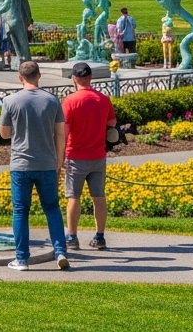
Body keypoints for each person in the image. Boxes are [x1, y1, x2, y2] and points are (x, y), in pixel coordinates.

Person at [0, 61, 70, 270]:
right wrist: (59, 161)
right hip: (47, 162)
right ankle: (60, 252)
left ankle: (22, 259)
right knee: (52, 208)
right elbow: (60, 133)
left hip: (21, 164)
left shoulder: (10, 101)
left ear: (20, 78)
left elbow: (4, 133)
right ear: (39, 76)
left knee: (21, 211)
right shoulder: (52, 100)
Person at [62, 61, 117, 251]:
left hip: (75, 155)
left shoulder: (70, 101)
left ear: (74, 79)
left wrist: (59, 157)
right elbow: (112, 122)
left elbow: (64, 131)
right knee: (99, 197)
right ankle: (100, 236)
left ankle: (72, 237)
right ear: (90, 77)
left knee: (73, 197)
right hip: (98, 155)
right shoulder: (103, 99)